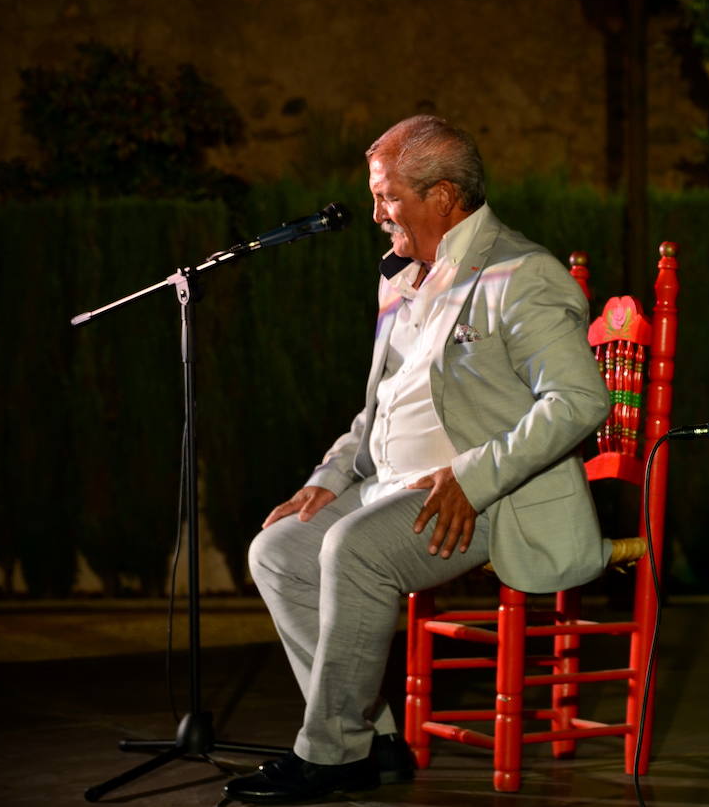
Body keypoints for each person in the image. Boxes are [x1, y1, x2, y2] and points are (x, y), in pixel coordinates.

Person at [225, 114, 612, 804]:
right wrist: (328, 477)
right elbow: (378, 409)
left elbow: (579, 401)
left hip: (490, 498)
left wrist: (471, 476)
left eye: (387, 196)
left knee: (353, 549)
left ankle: (331, 755)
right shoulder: (405, 281)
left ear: (441, 196)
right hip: (387, 488)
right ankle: (373, 738)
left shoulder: (521, 274)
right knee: (277, 550)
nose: (375, 213)